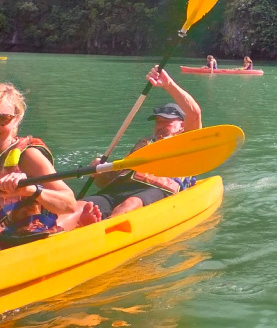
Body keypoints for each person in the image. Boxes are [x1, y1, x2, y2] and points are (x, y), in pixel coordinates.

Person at [84, 66, 202, 220]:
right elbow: (108, 180)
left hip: (157, 189)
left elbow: (194, 113)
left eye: (166, 121)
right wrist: (99, 170)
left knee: (130, 204)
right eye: (158, 121)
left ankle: (102, 232)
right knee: (83, 205)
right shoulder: (143, 144)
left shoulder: (187, 142)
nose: (159, 125)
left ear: (182, 125)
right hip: (121, 189)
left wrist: (168, 84)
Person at [0, 83, 77, 247]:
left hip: (23, 242)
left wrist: (33, 190)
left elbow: (69, 203)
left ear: (17, 118)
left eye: (2, 119)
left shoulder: (28, 156)